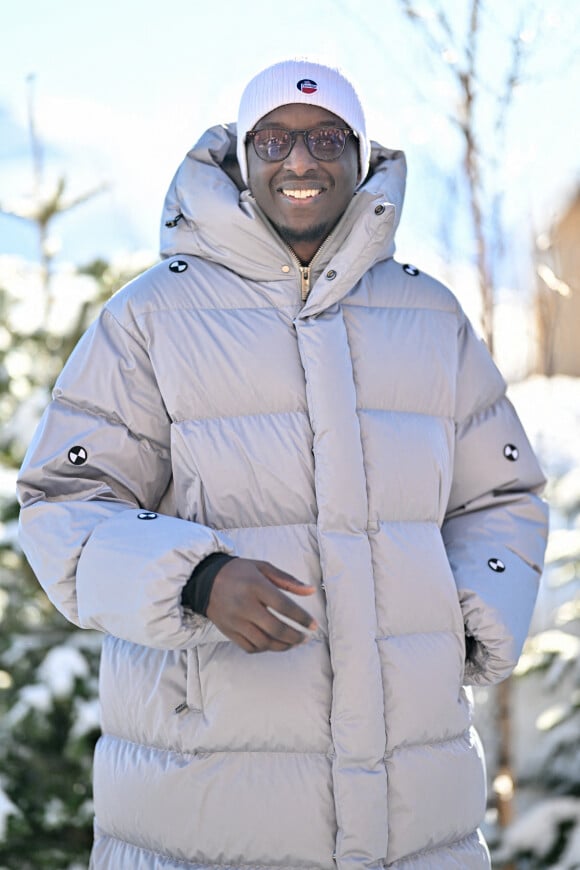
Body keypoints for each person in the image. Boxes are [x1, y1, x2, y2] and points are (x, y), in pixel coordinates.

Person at [17, 58, 549, 870]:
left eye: (327, 138)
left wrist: (464, 618)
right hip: (204, 805)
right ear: (242, 161)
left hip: (417, 813)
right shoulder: (151, 316)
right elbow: (63, 502)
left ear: (360, 158)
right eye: (274, 139)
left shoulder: (429, 317)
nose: (301, 160)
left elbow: (501, 494)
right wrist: (194, 580)